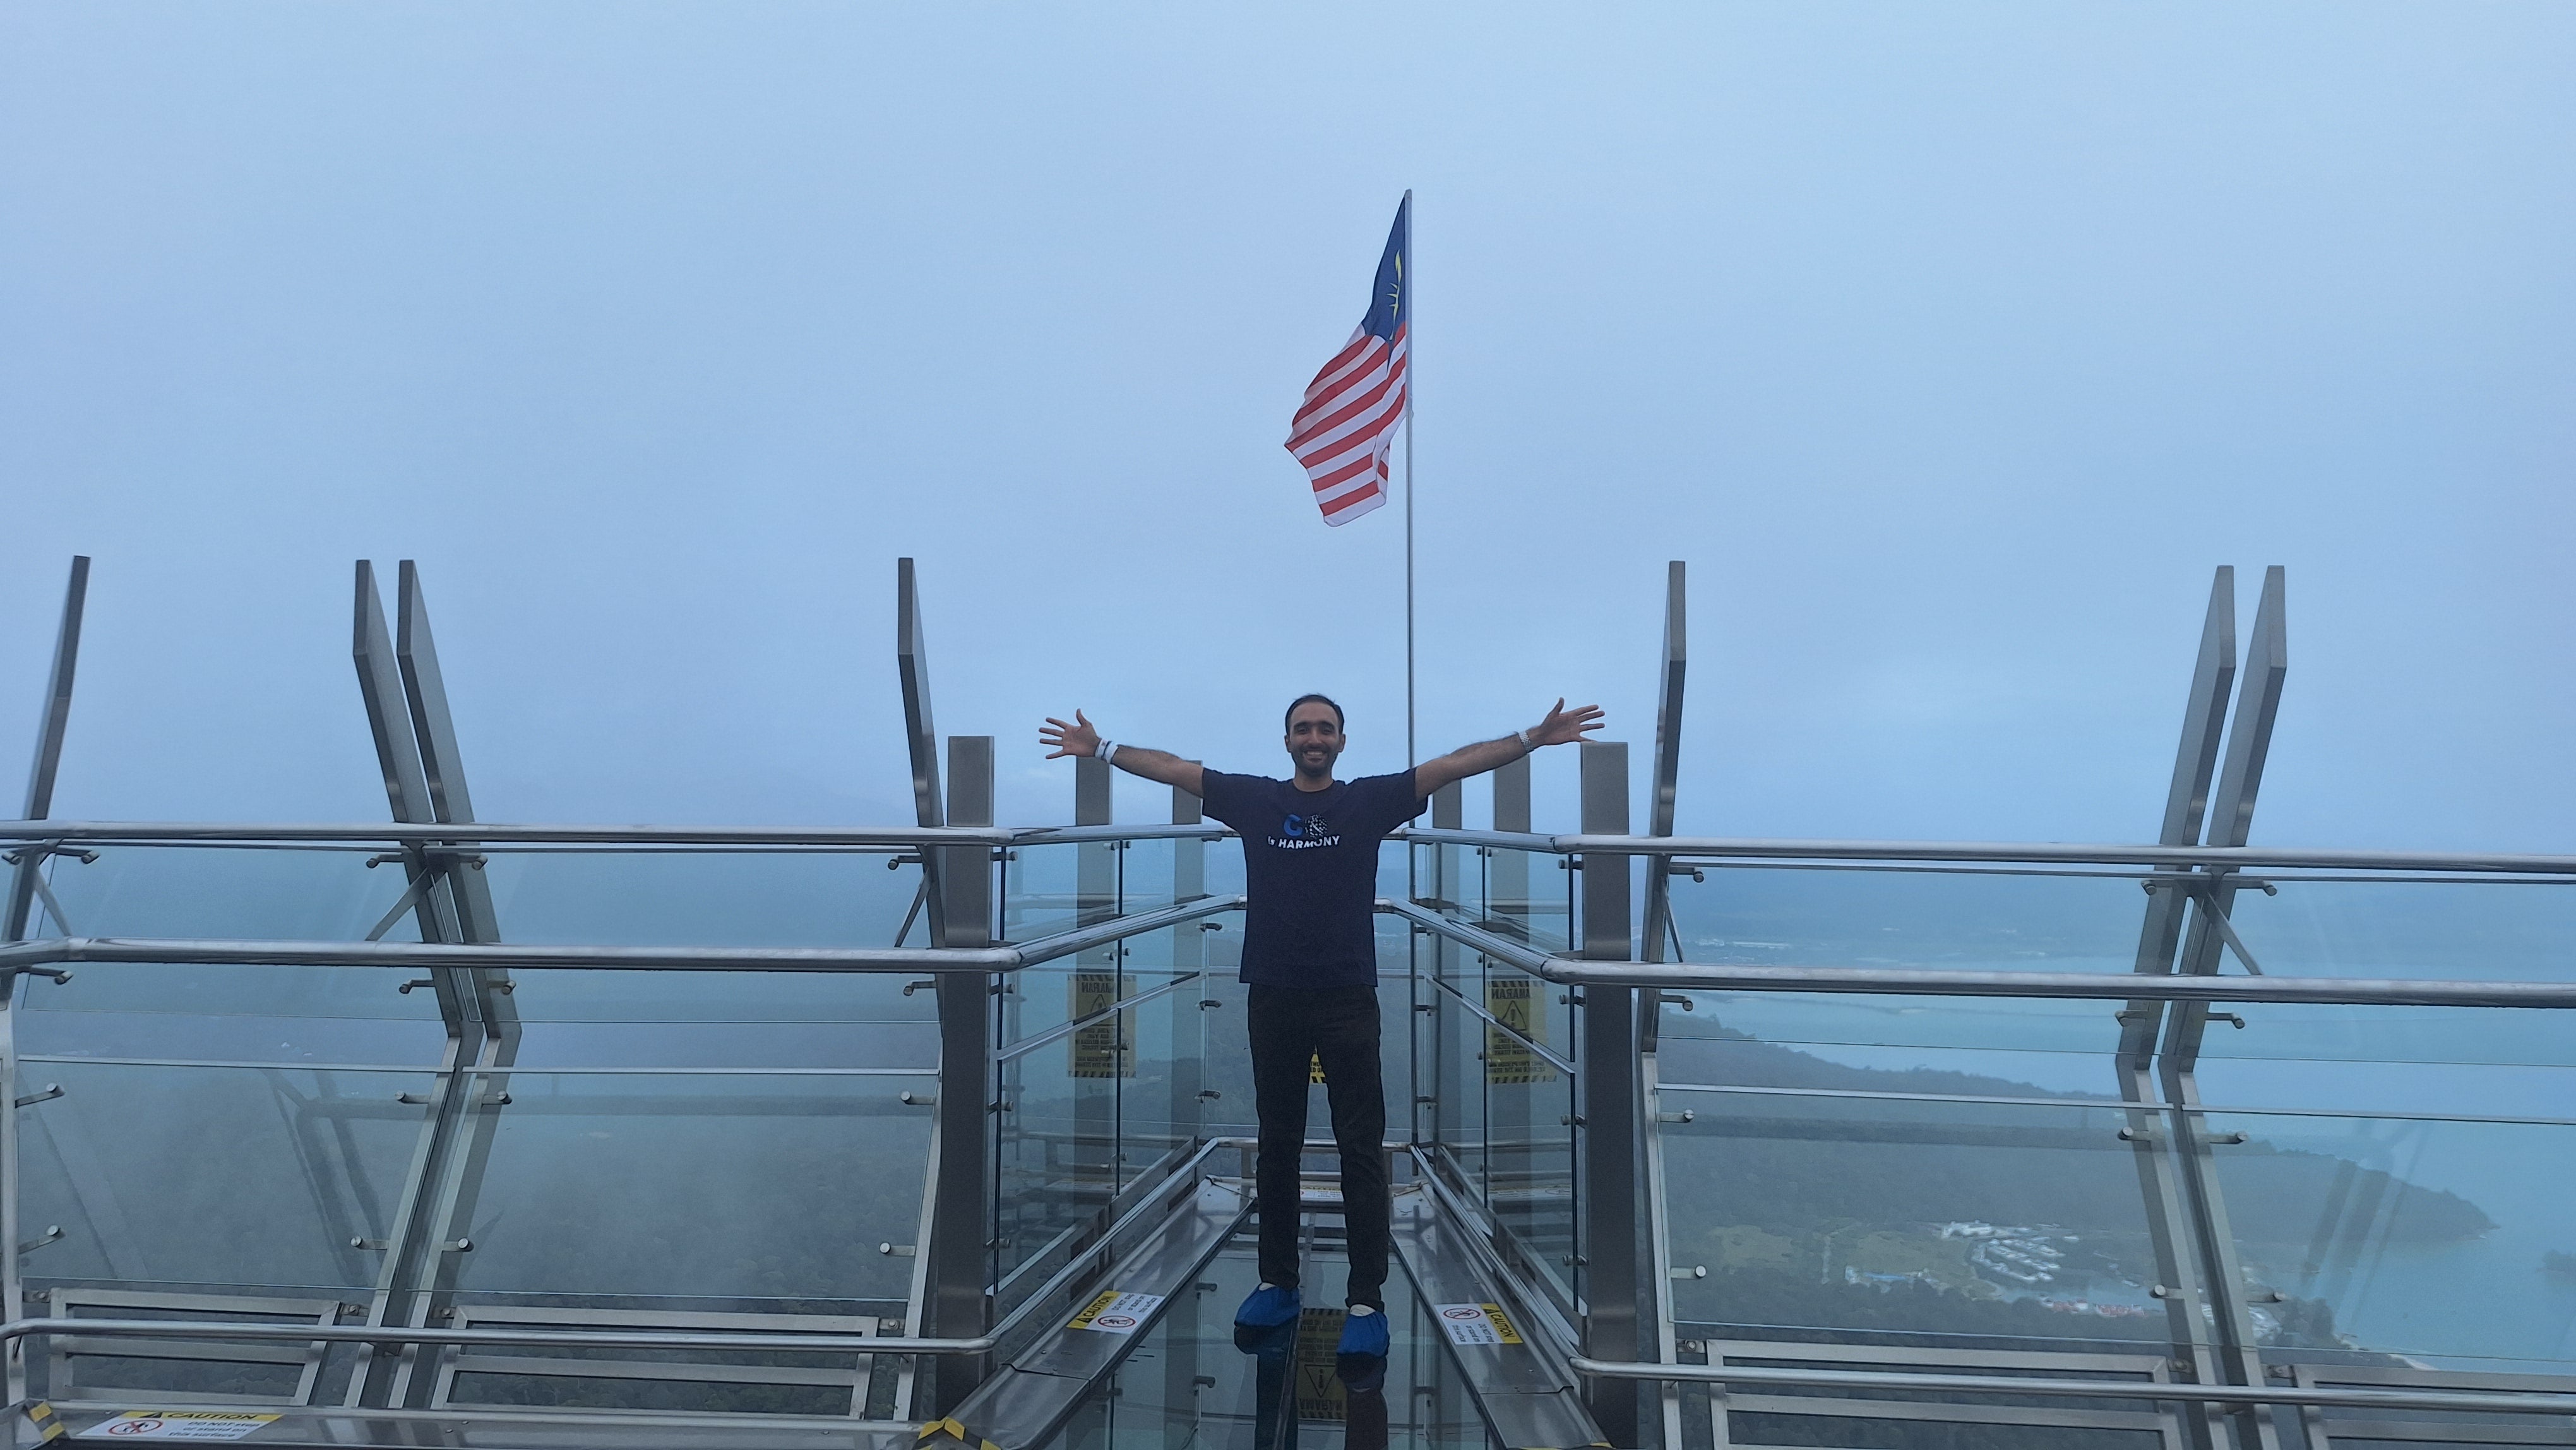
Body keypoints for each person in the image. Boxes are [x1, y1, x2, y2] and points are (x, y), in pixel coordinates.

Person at [1039, 693, 1604, 1369]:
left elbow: (1452, 765)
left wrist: (1532, 738)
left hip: (1347, 997)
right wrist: (1101, 748)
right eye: (1304, 728)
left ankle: (1367, 1299)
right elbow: (1175, 770)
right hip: (1273, 995)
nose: (1314, 737)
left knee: (1359, 1147)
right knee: (1277, 1145)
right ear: (1287, 741)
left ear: (1341, 740)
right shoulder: (1255, 800)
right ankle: (1278, 1283)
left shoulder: (1365, 802)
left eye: (1325, 728)